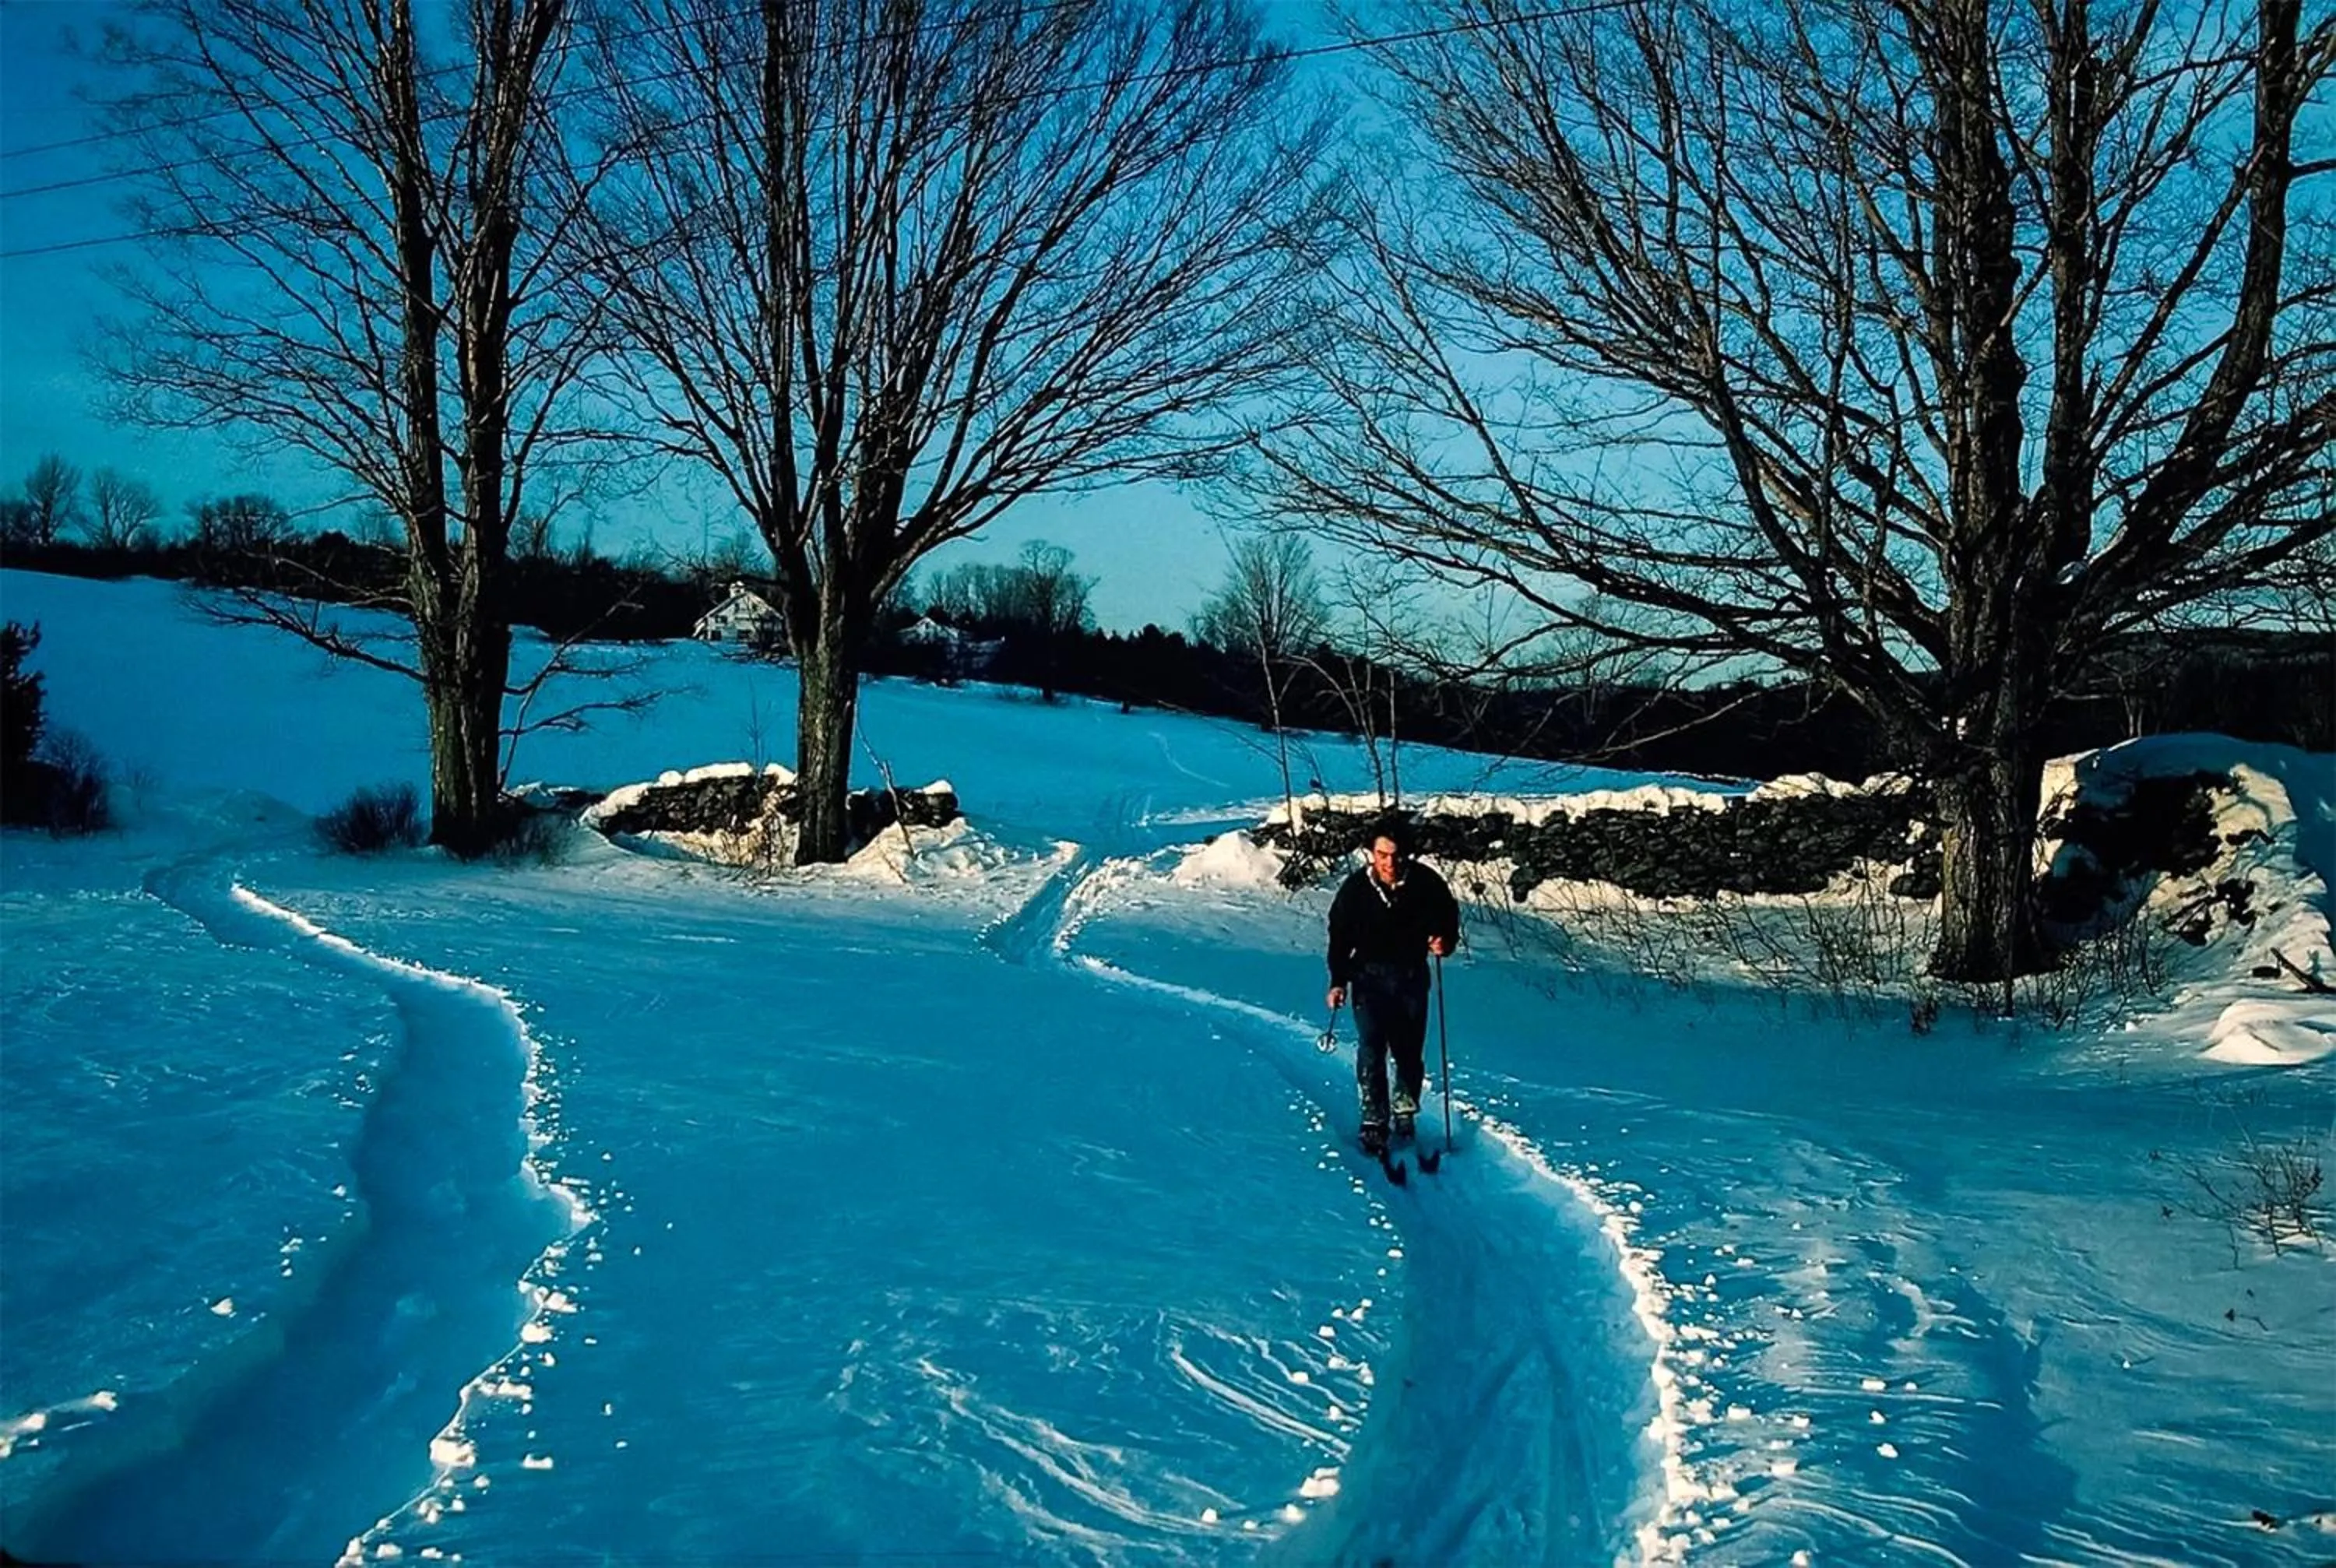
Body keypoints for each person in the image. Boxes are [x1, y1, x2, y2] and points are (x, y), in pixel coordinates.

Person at [1325, 822, 1459, 1158]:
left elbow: (1447, 918)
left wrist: (1445, 941)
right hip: (1368, 979)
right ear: (1372, 854)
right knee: (1371, 1047)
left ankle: (1404, 1111)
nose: (1390, 862)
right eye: (1383, 855)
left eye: (1396, 856)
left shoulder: (1427, 883)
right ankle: (1374, 1121)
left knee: (1408, 1052)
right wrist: (1338, 980)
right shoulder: (1355, 890)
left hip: (1411, 978)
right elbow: (1339, 937)